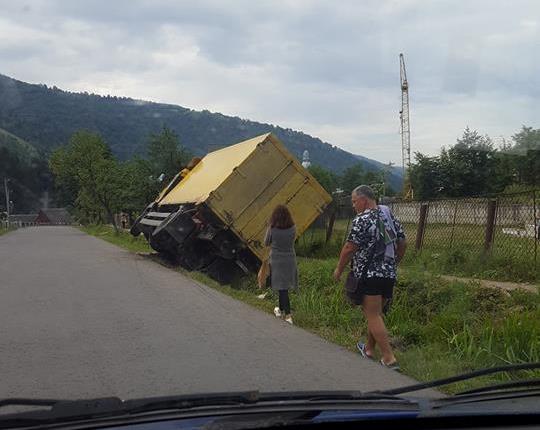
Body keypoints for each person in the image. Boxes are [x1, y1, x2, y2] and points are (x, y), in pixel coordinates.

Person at [333, 185, 407, 370]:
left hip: (369, 275)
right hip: (388, 274)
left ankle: (389, 358)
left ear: (364, 200)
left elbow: (350, 247)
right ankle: (368, 350)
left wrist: (338, 269)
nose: (353, 205)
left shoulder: (362, 219)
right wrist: (394, 262)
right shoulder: (387, 214)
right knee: (376, 315)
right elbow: (403, 241)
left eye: (354, 201)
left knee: (372, 315)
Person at [264, 205, 298, 324]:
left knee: (282, 287)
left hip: (277, 259)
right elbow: (293, 240)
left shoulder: (272, 228)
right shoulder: (293, 227)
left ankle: (288, 315)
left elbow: (266, 242)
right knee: (282, 286)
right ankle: (280, 309)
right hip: (290, 259)